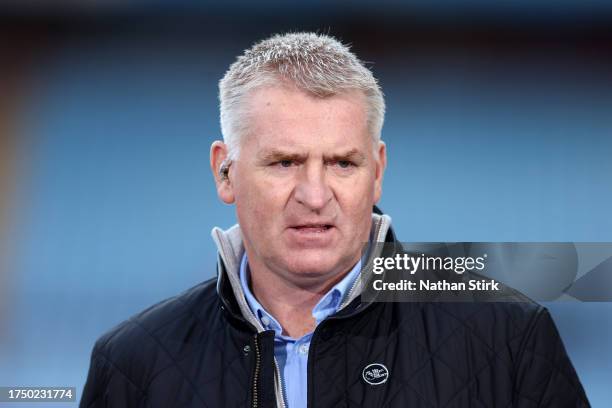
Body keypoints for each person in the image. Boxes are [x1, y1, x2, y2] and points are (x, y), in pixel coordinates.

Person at [80, 32, 590, 408]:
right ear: (225, 172)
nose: (315, 194)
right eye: (284, 162)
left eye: (342, 163)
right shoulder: (133, 364)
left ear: (378, 172)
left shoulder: (509, 338)